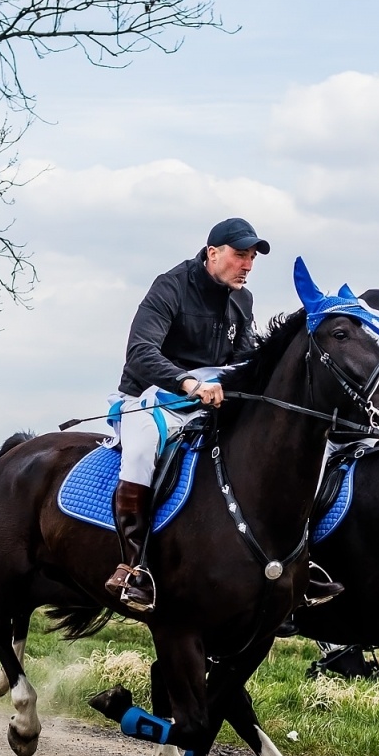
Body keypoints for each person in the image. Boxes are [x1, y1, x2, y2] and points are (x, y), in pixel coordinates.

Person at [107, 217, 268, 612]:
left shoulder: (242, 300)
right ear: (213, 253)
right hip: (150, 397)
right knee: (143, 444)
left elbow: (244, 358)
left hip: (208, 404)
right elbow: (141, 352)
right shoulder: (171, 286)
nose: (247, 265)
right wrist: (190, 384)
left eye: (251, 258)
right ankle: (133, 566)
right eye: (239, 256)